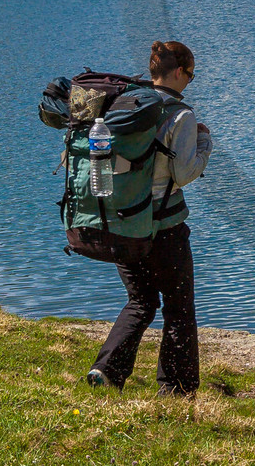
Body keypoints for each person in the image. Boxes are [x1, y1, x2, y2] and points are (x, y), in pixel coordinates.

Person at [87, 40, 213, 395]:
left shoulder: (125, 103)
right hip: (165, 228)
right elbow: (183, 173)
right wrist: (204, 145)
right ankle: (176, 389)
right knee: (178, 309)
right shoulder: (181, 115)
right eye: (191, 75)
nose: (190, 81)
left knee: (140, 301)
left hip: (123, 221)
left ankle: (105, 370)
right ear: (179, 72)